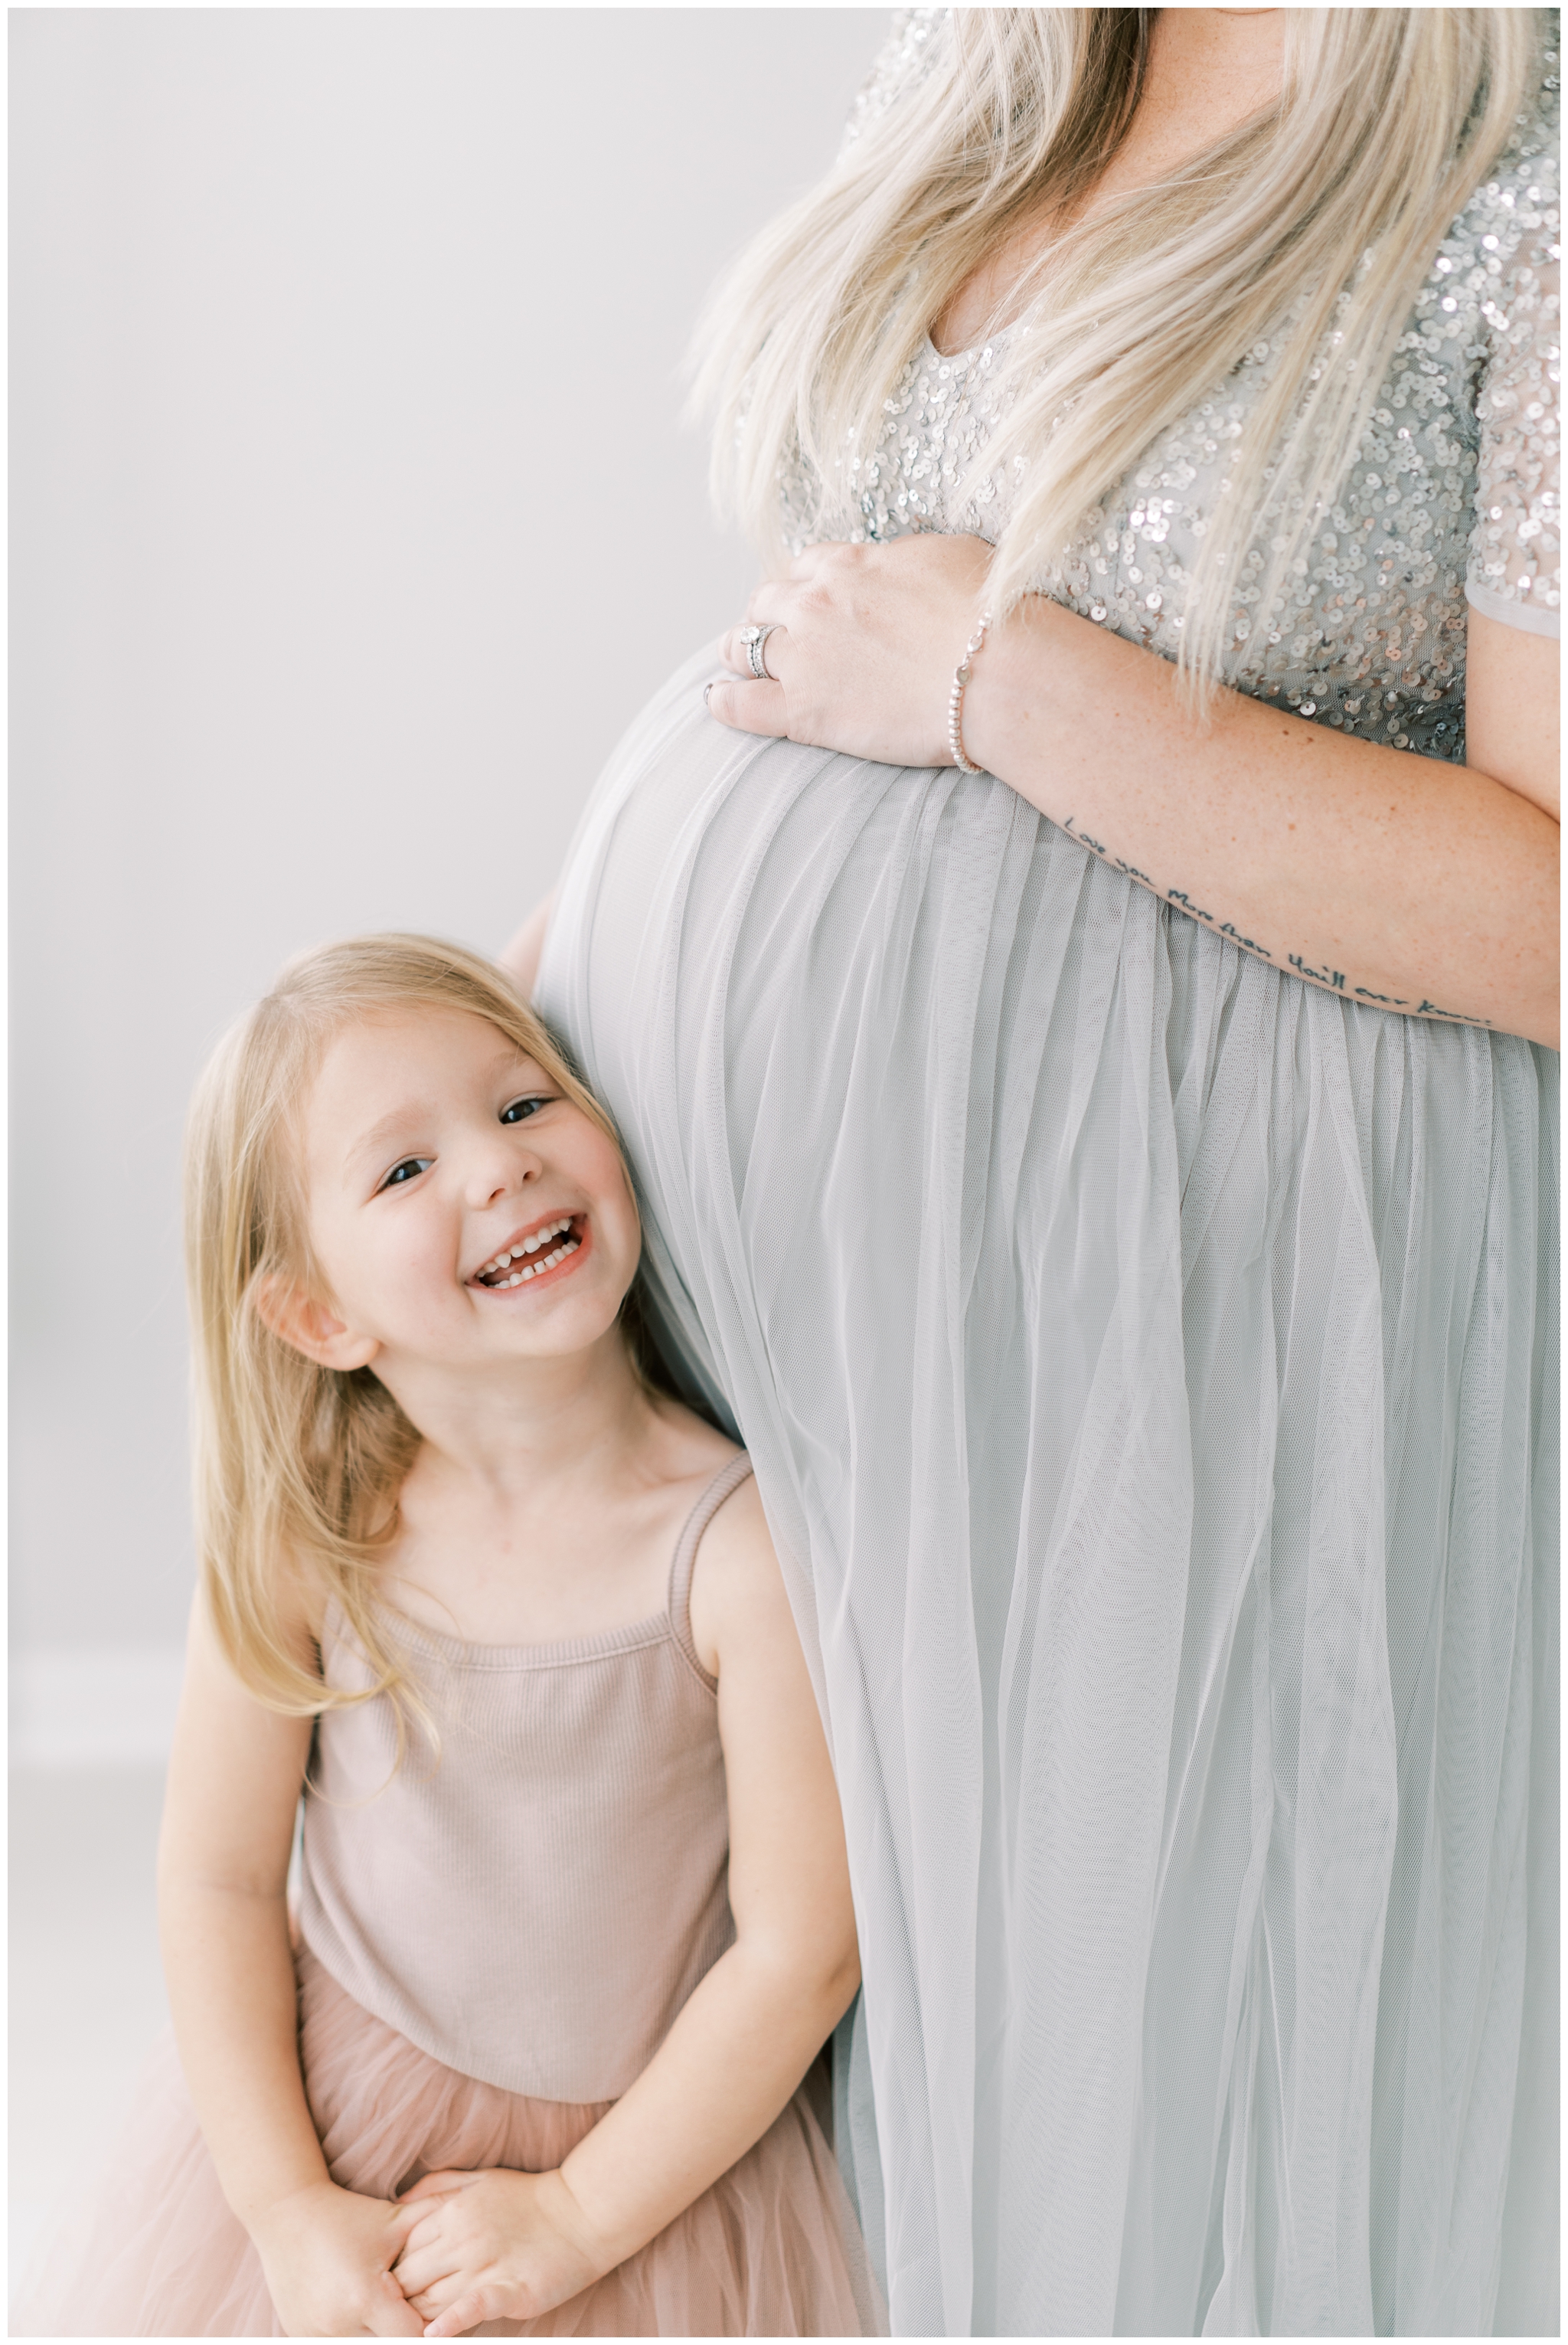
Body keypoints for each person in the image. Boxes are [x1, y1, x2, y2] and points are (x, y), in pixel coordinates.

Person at [511, 8, 1559, 2335]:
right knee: (796, 2029)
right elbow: (819, 629)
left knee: (1122, 2101)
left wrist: (1019, 684)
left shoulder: (1534, 147)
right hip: (784, 1332)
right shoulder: (990, 52)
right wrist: (503, 1036)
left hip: (1209, 1349)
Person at [15, 934, 877, 2340]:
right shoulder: (313, 1542)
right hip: (350, 2140)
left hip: (649, 2173)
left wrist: (579, 2217)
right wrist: (287, 2206)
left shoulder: (735, 1552)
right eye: (405, 1167)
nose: (498, 1165)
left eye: (525, 1102)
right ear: (316, 1312)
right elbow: (218, 1880)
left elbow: (800, 1951)